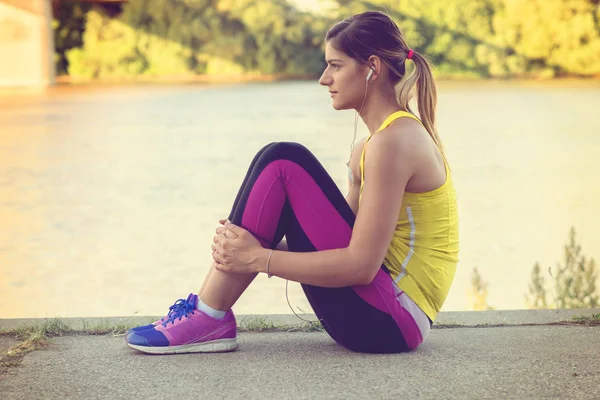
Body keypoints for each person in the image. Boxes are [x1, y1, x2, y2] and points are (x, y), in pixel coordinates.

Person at [125, 11, 459, 355]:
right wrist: (245, 246)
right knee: (277, 161)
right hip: (379, 314)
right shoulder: (373, 145)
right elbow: (339, 248)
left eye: (336, 65)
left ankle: (208, 317)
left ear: (372, 67)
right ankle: (205, 314)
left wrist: (258, 258)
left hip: (391, 322)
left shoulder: (394, 143)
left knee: (283, 161)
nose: (324, 78)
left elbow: (360, 266)